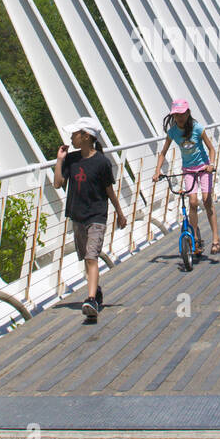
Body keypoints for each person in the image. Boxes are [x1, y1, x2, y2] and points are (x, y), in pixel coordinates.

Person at [54, 116, 127, 321]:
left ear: (86, 137)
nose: (71, 137)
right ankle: (96, 291)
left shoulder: (102, 162)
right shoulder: (71, 159)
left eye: (74, 134)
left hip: (96, 215)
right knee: (86, 258)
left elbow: (109, 190)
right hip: (77, 216)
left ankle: (91, 299)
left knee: (91, 256)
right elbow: (58, 183)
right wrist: (60, 160)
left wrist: (119, 213)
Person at [152, 99, 220, 255]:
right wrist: (157, 171)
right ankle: (195, 237)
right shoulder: (173, 132)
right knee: (193, 201)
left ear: (188, 113)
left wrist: (212, 164)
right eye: (177, 115)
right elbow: (163, 153)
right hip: (188, 169)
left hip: (203, 168)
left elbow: (211, 149)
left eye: (182, 114)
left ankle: (216, 238)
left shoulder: (197, 128)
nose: (180, 118)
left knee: (207, 199)